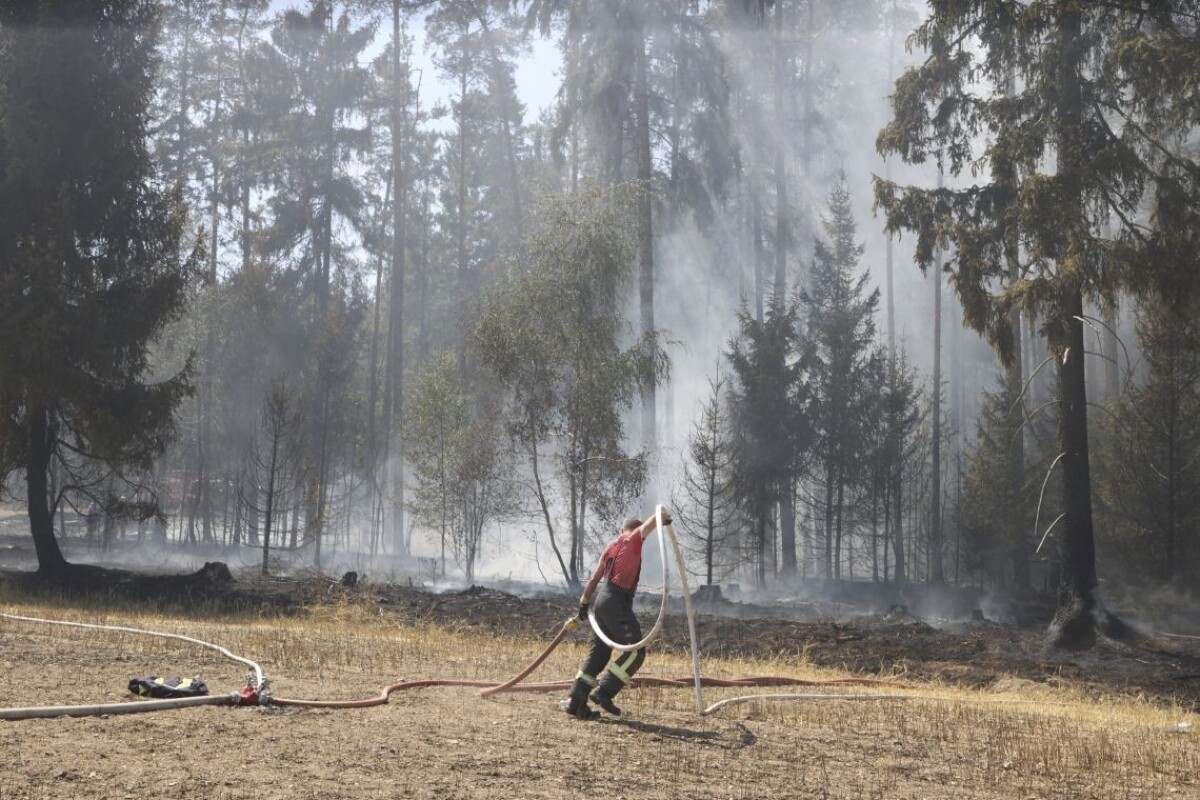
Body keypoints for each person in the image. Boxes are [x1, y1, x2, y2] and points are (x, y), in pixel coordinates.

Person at [563, 508, 671, 720]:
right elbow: (648, 523)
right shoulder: (632, 539)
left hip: (601, 601)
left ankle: (576, 703)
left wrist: (583, 607)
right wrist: (661, 517)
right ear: (633, 529)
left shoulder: (611, 546)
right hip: (616, 601)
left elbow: (593, 580)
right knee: (635, 652)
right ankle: (604, 692)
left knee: (599, 655)